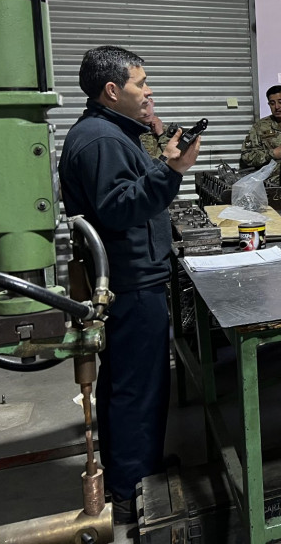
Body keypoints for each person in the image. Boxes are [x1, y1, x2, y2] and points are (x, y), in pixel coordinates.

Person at [58, 46, 201, 523]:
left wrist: (159, 152)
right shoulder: (101, 140)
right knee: (138, 389)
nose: (150, 91)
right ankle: (136, 491)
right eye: (142, 84)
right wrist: (173, 170)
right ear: (112, 90)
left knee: (127, 386)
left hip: (127, 278)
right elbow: (120, 207)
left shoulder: (109, 133)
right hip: (131, 283)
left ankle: (131, 477)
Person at [239, 85, 281, 169]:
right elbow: (247, 156)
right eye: (272, 103)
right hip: (270, 179)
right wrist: (272, 154)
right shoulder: (259, 127)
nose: (277, 107)